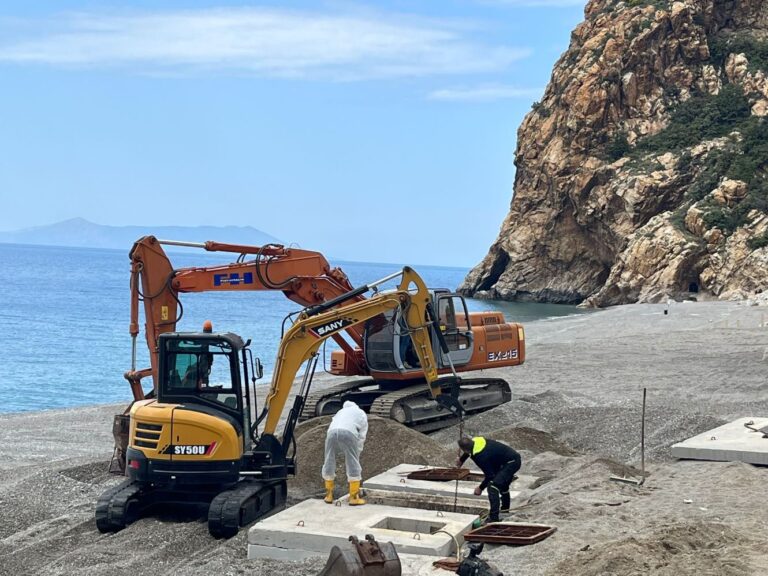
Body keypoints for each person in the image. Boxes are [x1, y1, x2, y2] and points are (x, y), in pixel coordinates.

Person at [456, 436, 521, 523]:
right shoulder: (476, 440)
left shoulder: (480, 456)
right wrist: (461, 460)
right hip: (505, 460)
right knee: (502, 484)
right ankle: (505, 511)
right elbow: (468, 451)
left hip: (511, 463)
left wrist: (480, 488)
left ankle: (493, 518)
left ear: (464, 449)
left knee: (493, 485)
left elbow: (490, 475)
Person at [322, 401, 369, 505]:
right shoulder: (361, 413)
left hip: (331, 433)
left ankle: (328, 495)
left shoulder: (340, 412)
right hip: (349, 433)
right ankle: (354, 497)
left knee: (329, 460)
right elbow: (362, 436)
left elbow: (332, 425)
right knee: (352, 463)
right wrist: (357, 452)